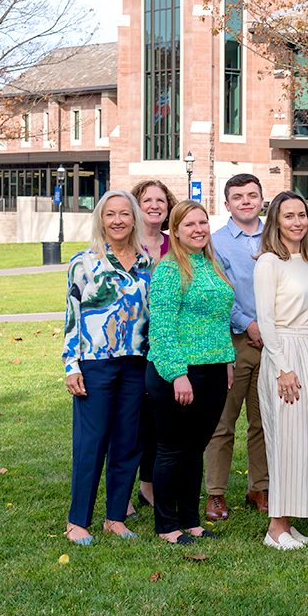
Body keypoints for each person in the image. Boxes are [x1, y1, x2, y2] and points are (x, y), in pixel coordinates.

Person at [62, 191, 152, 545]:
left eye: (124, 214)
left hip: (135, 364)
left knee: (127, 443)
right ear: (101, 219)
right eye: (110, 214)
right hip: (95, 364)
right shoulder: (83, 263)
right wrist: (72, 366)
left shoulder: (147, 265)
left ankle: (115, 517)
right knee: (92, 442)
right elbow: (71, 317)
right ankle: (77, 521)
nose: (117, 220)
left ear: (134, 220)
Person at [146, 200, 235, 544]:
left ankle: (191, 520)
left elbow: (219, 322)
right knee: (172, 449)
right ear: (176, 230)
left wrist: (227, 361)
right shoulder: (169, 270)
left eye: (203, 223)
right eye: (189, 224)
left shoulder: (211, 264)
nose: (198, 229)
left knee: (195, 449)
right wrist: (177, 373)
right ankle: (168, 526)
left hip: (213, 371)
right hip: (178, 373)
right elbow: (162, 328)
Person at [253, 192, 308, 550]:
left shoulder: (307, 259)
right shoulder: (268, 262)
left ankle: (289, 521)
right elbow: (266, 322)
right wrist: (283, 369)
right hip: (284, 354)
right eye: (288, 216)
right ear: (275, 221)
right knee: (285, 440)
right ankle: (275, 528)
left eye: (302, 215)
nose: (297, 222)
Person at [206, 174, 268, 521]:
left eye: (252, 195)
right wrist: (249, 324)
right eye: (238, 197)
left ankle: (260, 487)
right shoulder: (215, 243)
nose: (246, 201)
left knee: (262, 421)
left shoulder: (276, 237)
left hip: (272, 342)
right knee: (223, 421)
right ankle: (215, 493)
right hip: (233, 342)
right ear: (227, 204)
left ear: (262, 200)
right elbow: (220, 293)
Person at [128, 179, 177, 515]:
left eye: (161, 200)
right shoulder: (123, 244)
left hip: (165, 342)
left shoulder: (175, 246)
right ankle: (122, 490)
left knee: (158, 419)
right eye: (147, 200)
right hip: (129, 344)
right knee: (129, 419)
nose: (155, 206)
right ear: (136, 205)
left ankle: (148, 486)